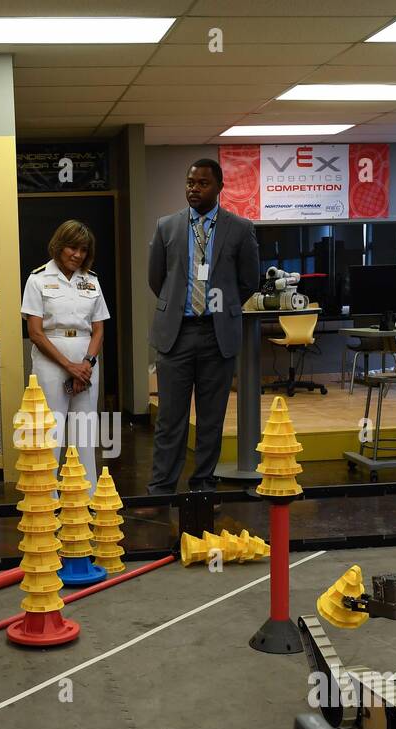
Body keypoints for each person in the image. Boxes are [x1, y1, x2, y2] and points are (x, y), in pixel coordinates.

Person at [147, 158, 260, 497]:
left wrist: (219, 308)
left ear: (219, 187)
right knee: (170, 417)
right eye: (190, 182)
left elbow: (249, 281)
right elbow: (158, 280)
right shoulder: (167, 226)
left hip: (217, 333)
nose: (193, 188)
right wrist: (180, 303)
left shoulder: (240, 228)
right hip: (176, 334)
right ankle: (162, 487)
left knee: (211, 418)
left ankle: (203, 486)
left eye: (202, 183)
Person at [20, 220, 108, 493]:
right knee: (51, 432)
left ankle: (89, 497)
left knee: (84, 432)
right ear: (59, 246)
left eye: (83, 249)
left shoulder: (91, 281)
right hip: (51, 361)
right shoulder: (38, 279)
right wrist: (69, 366)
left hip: (86, 361)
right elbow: (35, 332)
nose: (77, 255)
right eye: (72, 247)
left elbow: (98, 329)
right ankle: (49, 499)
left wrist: (86, 364)